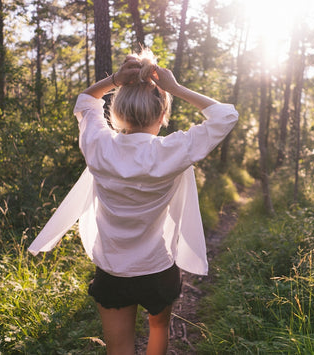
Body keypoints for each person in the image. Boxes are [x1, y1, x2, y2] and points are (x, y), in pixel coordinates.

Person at [28, 48, 238, 355]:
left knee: (119, 349)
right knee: (159, 329)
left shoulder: (99, 145)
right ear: (163, 115)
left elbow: (85, 102)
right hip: (157, 267)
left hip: (112, 270)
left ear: (116, 112)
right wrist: (175, 88)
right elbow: (225, 116)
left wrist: (114, 79)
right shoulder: (172, 150)